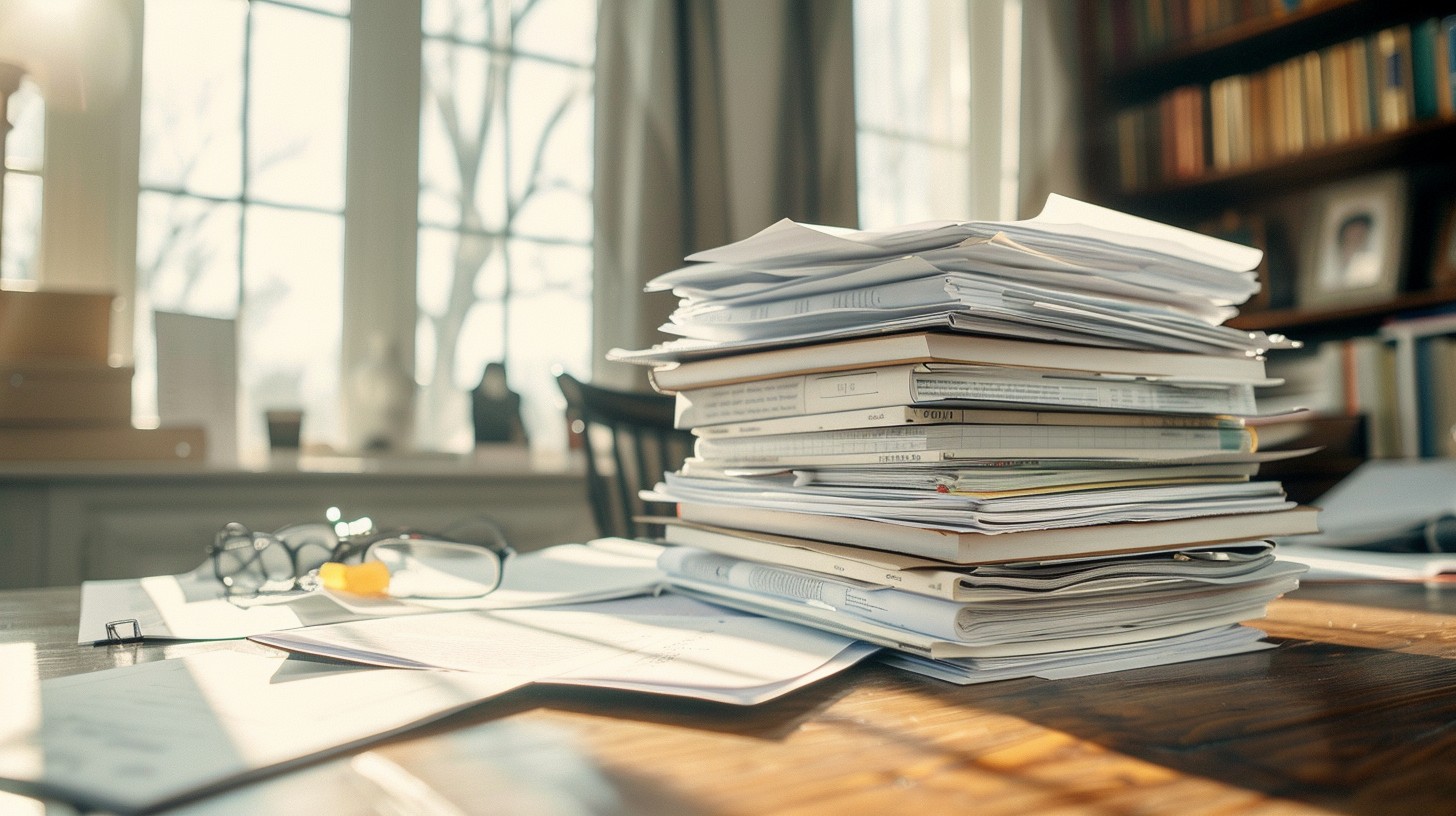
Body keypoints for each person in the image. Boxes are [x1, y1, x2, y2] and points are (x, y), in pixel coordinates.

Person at [471, 361, 527, 444]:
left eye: (497, 376)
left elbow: (517, 426)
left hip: (507, 449)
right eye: (492, 376)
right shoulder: (474, 396)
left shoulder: (514, 398)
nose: (495, 380)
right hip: (480, 448)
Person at [1329, 211, 1380, 289]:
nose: (1358, 235)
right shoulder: (1329, 260)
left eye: (1362, 232)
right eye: (1355, 230)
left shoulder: (1368, 264)